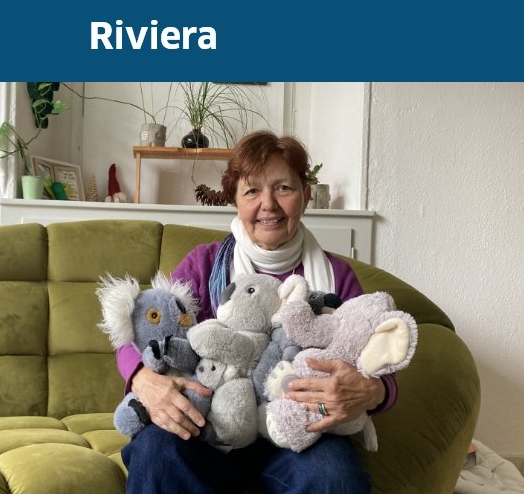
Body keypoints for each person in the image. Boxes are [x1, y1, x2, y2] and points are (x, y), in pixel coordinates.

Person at [116, 131, 397, 493]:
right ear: (234, 199)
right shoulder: (203, 265)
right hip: (209, 429)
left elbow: (382, 363)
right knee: (156, 452)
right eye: (252, 191)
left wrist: (370, 391)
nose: (269, 204)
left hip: (300, 433)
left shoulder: (337, 277)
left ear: (305, 195)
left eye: (284, 188)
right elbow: (139, 333)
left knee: (337, 477)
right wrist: (143, 379)